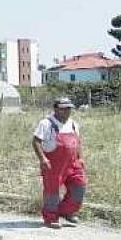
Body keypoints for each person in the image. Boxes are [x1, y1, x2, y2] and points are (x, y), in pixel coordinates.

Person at [32, 97, 87, 229]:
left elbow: (77, 142)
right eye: (63, 109)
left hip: (73, 163)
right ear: (56, 109)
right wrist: (43, 159)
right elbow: (36, 141)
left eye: (69, 108)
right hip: (54, 164)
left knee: (79, 186)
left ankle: (67, 211)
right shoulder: (46, 123)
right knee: (52, 192)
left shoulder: (73, 124)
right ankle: (51, 218)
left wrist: (81, 157)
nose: (67, 111)